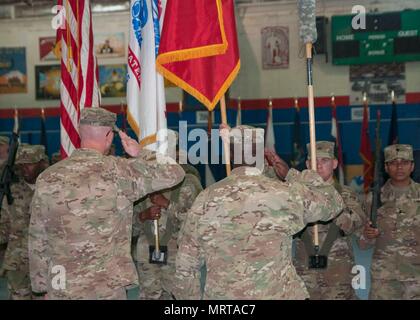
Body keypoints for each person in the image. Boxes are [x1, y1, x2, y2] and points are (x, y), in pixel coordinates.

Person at [28, 107, 185, 300]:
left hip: (61, 283)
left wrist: (41, 286)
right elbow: (175, 174)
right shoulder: (120, 171)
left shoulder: (47, 177)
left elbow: (37, 234)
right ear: (109, 135)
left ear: (80, 132)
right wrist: (140, 153)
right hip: (107, 284)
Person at [173, 125, 344, 299]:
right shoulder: (284, 194)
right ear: (261, 154)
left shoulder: (205, 199)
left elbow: (186, 265)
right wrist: (293, 175)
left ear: (230, 154)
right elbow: (333, 203)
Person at [292, 141, 365, 299]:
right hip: (304, 274)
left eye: (324, 160)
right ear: (306, 164)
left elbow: (352, 224)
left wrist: (327, 200)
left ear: (334, 163)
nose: (318, 166)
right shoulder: (296, 195)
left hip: (337, 274)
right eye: (313, 161)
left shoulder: (347, 194)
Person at [135, 159, 203, 300]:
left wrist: (167, 204)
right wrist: (143, 216)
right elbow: (128, 226)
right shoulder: (141, 182)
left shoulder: (189, 181)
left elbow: (198, 220)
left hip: (178, 255)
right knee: (150, 295)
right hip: (146, 255)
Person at [360, 144, 420, 299]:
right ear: (386, 168)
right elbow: (362, 243)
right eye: (393, 163)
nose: (399, 167)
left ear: (412, 166)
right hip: (384, 278)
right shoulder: (373, 199)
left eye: (404, 162)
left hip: (416, 277)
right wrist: (368, 235)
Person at [0, 144, 48, 299]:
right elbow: (4, 226)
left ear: (42, 163)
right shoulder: (11, 191)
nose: (25, 168)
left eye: (30, 164)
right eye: (21, 165)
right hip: (17, 263)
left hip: (46, 261)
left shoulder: (52, 189)